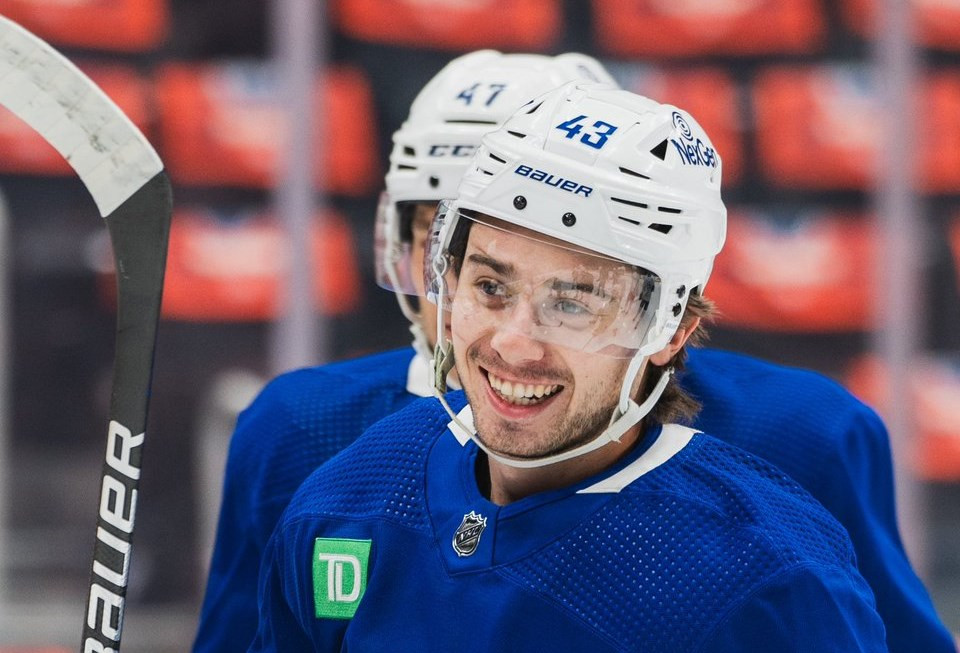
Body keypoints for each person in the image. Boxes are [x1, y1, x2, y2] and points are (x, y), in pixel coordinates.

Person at [197, 50, 956, 652]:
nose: (515, 342)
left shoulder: (776, 574)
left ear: (673, 327)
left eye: (575, 301)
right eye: (491, 286)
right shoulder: (345, 492)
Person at [192, 50, 617, 652]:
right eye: (437, 240)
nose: (461, 288)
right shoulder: (300, 425)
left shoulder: (745, 446)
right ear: (396, 239)